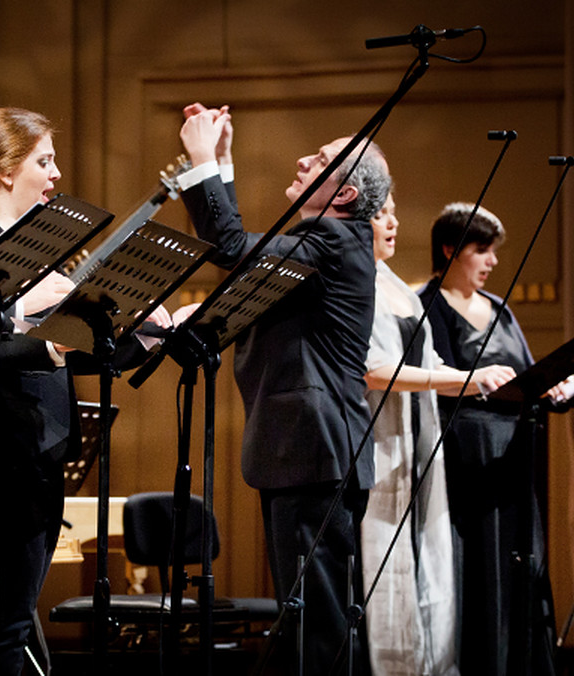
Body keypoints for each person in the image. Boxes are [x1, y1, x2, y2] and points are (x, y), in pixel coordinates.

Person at [0, 107, 175, 675]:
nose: (55, 174)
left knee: (14, 619)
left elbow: (77, 353)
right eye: (43, 161)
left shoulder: (39, 259)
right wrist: (52, 341)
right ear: (4, 168)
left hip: (40, 453)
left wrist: (153, 334)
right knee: (3, 621)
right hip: (0, 457)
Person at [177, 103, 389, 674]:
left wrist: (198, 161)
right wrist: (221, 162)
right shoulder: (327, 243)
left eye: (320, 160)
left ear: (343, 195)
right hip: (310, 452)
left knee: (316, 623)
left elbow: (230, 249)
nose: (301, 159)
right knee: (310, 618)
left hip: (314, 452)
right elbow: (247, 259)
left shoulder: (330, 239)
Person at [359, 194, 514, 676]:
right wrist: (466, 379)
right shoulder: (368, 286)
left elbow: (430, 366)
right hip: (384, 447)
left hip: (422, 448)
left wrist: (475, 376)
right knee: (387, 575)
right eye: (381, 213)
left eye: (393, 210)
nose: (394, 221)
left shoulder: (397, 290)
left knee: (433, 576)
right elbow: (376, 370)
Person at [417, 203, 557, 676]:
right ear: (450, 249)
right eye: (482, 250)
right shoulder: (426, 303)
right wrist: (473, 378)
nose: (492, 260)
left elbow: (527, 368)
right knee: (474, 562)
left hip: (514, 451)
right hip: (463, 452)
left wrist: (549, 384)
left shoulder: (500, 308)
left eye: (494, 251)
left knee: (520, 559)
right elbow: (426, 375)